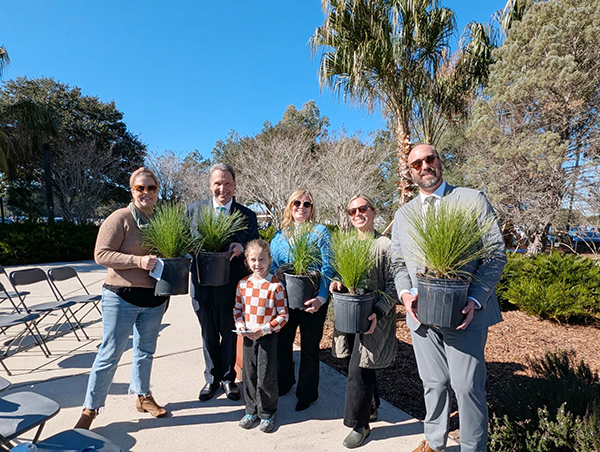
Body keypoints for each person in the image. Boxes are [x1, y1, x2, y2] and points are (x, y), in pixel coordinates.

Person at [391, 144, 507, 452]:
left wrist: (475, 299)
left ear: (440, 162)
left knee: (467, 387)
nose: (424, 166)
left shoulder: (471, 200)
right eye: (416, 164)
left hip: (464, 314)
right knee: (433, 384)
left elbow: (495, 254)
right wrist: (405, 294)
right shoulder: (404, 215)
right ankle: (434, 441)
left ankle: (472, 447)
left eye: (430, 159)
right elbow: (399, 263)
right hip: (421, 317)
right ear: (410, 172)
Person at [75, 167, 169, 430]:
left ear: (157, 191)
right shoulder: (121, 218)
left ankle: (143, 396)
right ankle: (90, 409)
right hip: (121, 298)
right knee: (110, 354)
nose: (146, 193)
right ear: (132, 190)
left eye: (151, 188)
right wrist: (138, 261)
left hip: (154, 299)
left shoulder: (162, 219)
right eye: (140, 188)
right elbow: (101, 254)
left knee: (146, 351)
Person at [330, 195, 398, 449]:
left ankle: (359, 424)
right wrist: (336, 281)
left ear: (373, 211)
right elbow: (339, 274)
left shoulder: (385, 245)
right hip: (350, 315)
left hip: (374, 319)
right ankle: (370, 409)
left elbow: (395, 286)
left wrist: (378, 312)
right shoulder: (347, 244)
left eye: (362, 209)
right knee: (358, 362)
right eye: (352, 211)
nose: (357, 214)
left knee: (358, 371)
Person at [187, 163, 259, 402]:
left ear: (235, 185)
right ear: (210, 185)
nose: (222, 188)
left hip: (231, 287)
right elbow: (183, 246)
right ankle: (211, 379)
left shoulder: (246, 215)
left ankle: (228, 379)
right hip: (201, 286)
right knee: (208, 333)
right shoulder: (193, 211)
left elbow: (255, 248)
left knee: (229, 333)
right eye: (217, 183)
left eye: (227, 183)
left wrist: (243, 247)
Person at [270, 189, 334, 412]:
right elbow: (271, 266)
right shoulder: (280, 235)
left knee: (309, 348)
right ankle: (284, 382)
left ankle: (306, 394)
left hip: (312, 301)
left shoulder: (320, 232)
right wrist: (274, 273)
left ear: (312, 208)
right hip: (285, 300)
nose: (301, 207)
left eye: (307, 204)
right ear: (289, 205)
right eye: (297, 202)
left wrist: (321, 297)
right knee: (282, 345)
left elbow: (327, 267)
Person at [233, 239, 289, 433]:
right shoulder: (243, 284)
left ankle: (267, 412)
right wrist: (240, 324)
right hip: (248, 336)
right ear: (247, 261)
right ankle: (250, 410)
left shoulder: (276, 286)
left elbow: (283, 315)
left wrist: (264, 329)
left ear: (270, 260)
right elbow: (238, 309)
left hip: (267, 336)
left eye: (262, 259)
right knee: (248, 373)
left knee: (266, 375)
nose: (258, 264)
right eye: (253, 260)